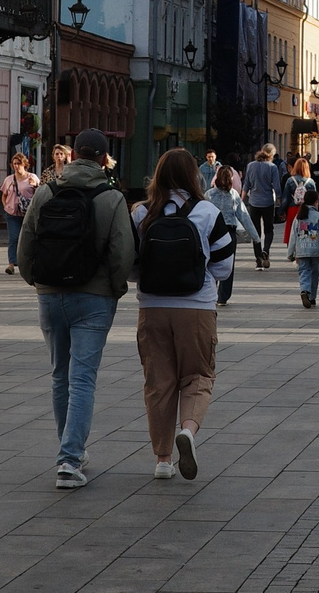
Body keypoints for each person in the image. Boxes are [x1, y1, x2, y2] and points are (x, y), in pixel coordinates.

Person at [15, 128, 138, 489]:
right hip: (94, 297)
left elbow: (26, 244)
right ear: (103, 159)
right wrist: (115, 289)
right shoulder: (111, 197)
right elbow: (122, 252)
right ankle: (69, 459)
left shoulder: (46, 191)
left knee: (59, 375)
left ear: (71, 157)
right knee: (82, 377)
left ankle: (70, 451)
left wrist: (38, 283)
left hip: (50, 295)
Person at [132, 148, 235, 481]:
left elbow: (132, 267)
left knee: (158, 383)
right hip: (197, 308)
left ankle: (162, 460)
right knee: (198, 376)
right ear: (195, 175)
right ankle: (188, 432)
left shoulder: (141, 213)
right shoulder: (207, 212)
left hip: (152, 308)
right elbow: (223, 268)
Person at [205, 165, 253, 307]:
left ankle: (210, 292)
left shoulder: (209, 194)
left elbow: (203, 213)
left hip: (212, 231)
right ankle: (223, 297)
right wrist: (255, 237)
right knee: (227, 265)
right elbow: (244, 216)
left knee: (210, 262)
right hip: (229, 232)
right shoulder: (233, 195)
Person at [283, 155, 319, 307]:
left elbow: (293, 236)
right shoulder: (318, 216)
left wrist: (290, 253)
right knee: (315, 273)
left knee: (303, 272)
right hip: (315, 250)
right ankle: (312, 296)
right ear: (316, 201)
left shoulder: (298, 217)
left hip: (301, 250)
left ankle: (304, 290)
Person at [242, 146, 282, 269]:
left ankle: (258, 258)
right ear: (271, 155)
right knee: (269, 229)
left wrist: (241, 199)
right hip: (268, 202)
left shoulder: (250, 166)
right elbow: (276, 185)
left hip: (254, 202)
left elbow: (246, 184)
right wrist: (279, 200)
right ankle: (266, 250)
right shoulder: (272, 167)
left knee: (256, 231)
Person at [0, 152, 40, 273]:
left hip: (28, 213)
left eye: (19, 163)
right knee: (14, 238)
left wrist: (36, 185)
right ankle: (11, 264)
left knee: (29, 238)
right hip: (12, 213)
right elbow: (4, 195)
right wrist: (6, 205)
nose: (17, 166)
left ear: (24, 164)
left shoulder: (32, 177)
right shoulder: (9, 179)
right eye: (14, 164)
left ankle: (30, 262)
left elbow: (39, 193)